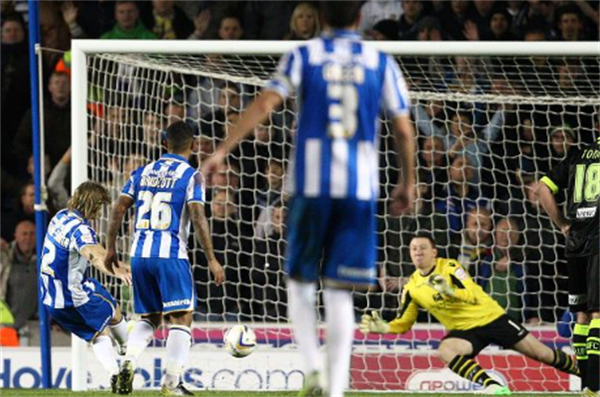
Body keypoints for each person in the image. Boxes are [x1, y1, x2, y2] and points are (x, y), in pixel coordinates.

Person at [201, 3, 415, 396]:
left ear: (317, 16)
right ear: (359, 18)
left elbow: (266, 103)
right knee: (339, 291)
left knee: (299, 282)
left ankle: (314, 366)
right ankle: (334, 390)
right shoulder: (379, 60)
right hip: (359, 190)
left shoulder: (303, 54)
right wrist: (408, 180)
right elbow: (403, 128)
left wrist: (221, 151)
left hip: (312, 186)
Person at [360, 235, 580, 396]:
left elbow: (472, 294)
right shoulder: (412, 288)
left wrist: (448, 291)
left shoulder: (450, 267)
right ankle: (493, 386)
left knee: (543, 354)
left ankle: (589, 376)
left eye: (423, 248)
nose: (418, 252)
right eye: (414, 249)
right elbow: (404, 323)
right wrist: (386, 328)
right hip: (466, 332)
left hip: (492, 318)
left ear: (434, 252)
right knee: (446, 350)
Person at [105, 121, 224, 396]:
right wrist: (211, 258)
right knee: (181, 319)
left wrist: (111, 247)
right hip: (170, 255)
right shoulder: (192, 175)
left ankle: (128, 360)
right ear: (193, 146)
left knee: (149, 317)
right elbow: (197, 216)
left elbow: (119, 208)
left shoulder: (142, 172)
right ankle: (172, 383)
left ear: (163, 144)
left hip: (139, 255)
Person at [39, 182, 131, 392]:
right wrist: (118, 272)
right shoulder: (81, 230)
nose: (100, 212)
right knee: (113, 310)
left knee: (97, 334)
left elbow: (98, 253)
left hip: (51, 299)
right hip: (74, 296)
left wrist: (119, 265)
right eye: (99, 207)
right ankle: (129, 353)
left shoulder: (60, 217)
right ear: (93, 205)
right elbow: (96, 256)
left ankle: (114, 374)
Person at [536, 137, 600, 395]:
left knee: (582, 316)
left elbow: (542, 187)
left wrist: (563, 224)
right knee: (598, 314)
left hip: (575, 242)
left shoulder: (578, 155)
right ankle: (595, 388)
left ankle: (586, 385)